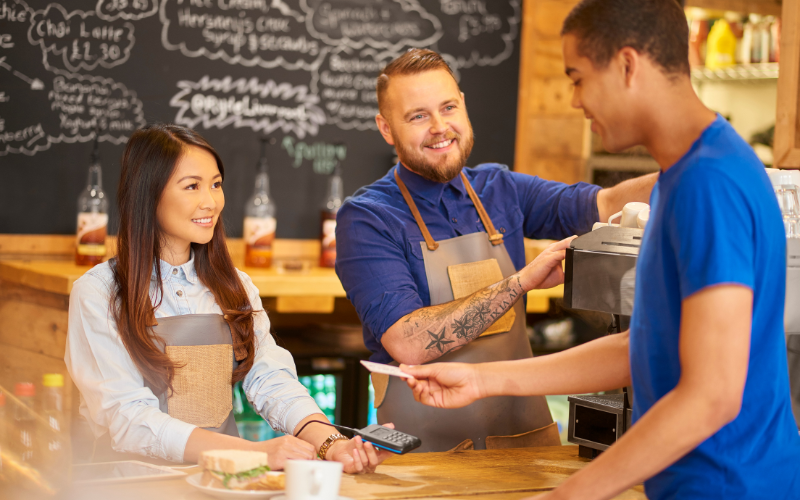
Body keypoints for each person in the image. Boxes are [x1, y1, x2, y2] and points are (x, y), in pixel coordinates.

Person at [402, 0, 800, 497]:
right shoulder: (687, 176)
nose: (574, 100)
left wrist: (571, 494)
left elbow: (711, 397)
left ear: (627, 66)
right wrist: (485, 381)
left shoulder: (708, 184)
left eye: (578, 78)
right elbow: (648, 347)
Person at [334, 48, 656, 452]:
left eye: (448, 107)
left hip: (526, 444)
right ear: (386, 128)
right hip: (427, 457)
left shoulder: (500, 188)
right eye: (418, 116)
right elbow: (408, 342)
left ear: (463, 106)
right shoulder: (367, 217)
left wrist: (693, 170)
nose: (439, 127)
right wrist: (520, 283)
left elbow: (605, 204)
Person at [65, 124, 391, 471]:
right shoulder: (100, 292)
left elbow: (268, 378)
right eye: (192, 186)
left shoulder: (236, 286)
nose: (211, 201)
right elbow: (127, 417)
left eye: (216, 184)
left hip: (222, 481)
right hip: (132, 487)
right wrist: (254, 453)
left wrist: (330, 442)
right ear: (148, 193)